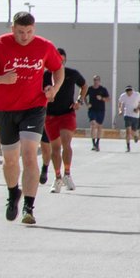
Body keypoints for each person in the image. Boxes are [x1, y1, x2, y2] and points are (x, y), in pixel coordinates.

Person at [0, 11, 63, 226]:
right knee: (11, 160)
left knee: (29, 154)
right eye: (20, 32)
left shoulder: (44, 46)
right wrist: (1, 79)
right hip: (5, 110)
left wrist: (55, 88)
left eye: (29, 32)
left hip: (34, 107)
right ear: (12, 28)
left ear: (34, 29)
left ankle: (28, 207)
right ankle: (13, 192)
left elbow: (58, 69)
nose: (25, 37)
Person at [43, 48, 86, 193]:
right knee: (55, 149)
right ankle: (58, 178)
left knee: (66, 143)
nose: (60, 62)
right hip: (50, 116)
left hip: (67, 114)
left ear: (65, 60)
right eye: (57, 59)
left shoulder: (72, 74)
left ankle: (67, 174)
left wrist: (80, 100)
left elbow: (84, 85)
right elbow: (38, 91)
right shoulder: (46, 75)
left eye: (62, 60)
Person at [85, 75, 110, 151]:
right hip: (92, 109)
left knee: (99, 126)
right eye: (95, 80)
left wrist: (102, 98)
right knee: (93, 124)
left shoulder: (103, 89)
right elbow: (83, 96)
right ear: (93, 81)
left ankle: (97, 143)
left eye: (97, 80)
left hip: (101, 110)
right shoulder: (90, 89)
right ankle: (93, 144)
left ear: (99, 81)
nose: (96, 81)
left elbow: (108, 99)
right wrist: (87, 104)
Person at [118, 85, 140, 151]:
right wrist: (120, 110)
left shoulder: (137, 95)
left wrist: (138, 108)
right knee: (128, 131)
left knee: (133, 131)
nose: (128, 92)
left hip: (135, 115)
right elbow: (120, 103)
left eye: (130, 91)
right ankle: (128, 146)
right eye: (127, 91)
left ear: (132, 90)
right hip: (127, 115)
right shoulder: (123, 96)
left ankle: (135, 136)